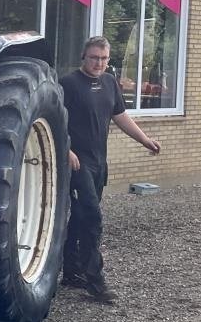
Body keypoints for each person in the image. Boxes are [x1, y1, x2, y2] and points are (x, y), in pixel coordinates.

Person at [60, 35, 161, 302]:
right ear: (84, 56)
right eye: (94, 57)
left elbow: (120, 116)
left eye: (104, 59)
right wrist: (66, 150)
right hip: (77, 163)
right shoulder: (68, 84)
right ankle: (96, 282)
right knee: (92, 218)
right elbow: (55, 121)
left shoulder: (108, 83)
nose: (99, 63)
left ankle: (70, 272)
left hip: (98, 163)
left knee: (81, 218)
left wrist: (145, 140)